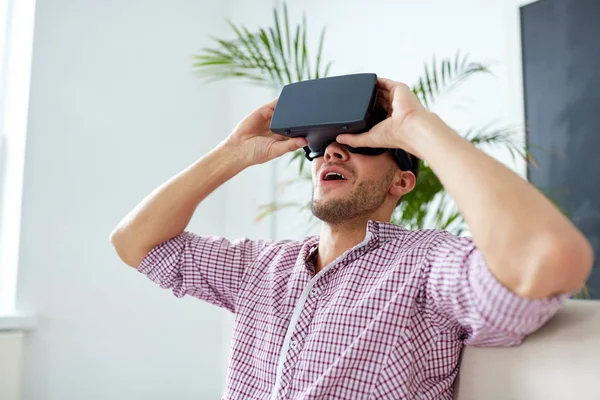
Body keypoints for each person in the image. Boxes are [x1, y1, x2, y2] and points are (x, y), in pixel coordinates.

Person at [110, 77, 593, 399]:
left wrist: (417, 129)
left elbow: (548, 257)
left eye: (359, 143)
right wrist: (233, 152)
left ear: (402, 181)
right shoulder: (264, 268)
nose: (332, 154)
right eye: (321, 147)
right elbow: (135, 242)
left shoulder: (426, 264)